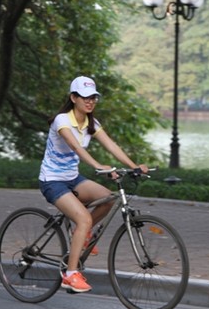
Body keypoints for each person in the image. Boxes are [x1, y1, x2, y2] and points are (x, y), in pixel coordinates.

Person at [38, 76, 148, 293]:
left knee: (109, 198)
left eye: (94, 98)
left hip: (72, 178)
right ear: (74, 98)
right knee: (84, 219)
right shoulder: (62, 120)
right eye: (85, 97)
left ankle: (83, 234)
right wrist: (100, 167)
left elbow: (111, 146)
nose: (90, 102)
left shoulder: (91, 124)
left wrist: (134, 166)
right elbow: (77, 147)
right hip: (52, 181)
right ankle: (70, 275)